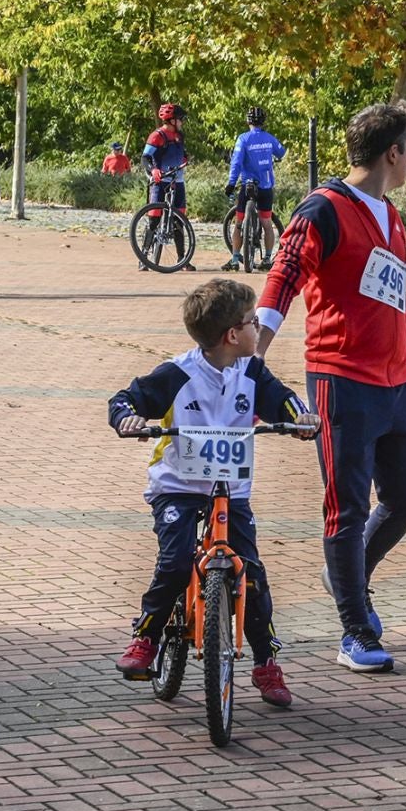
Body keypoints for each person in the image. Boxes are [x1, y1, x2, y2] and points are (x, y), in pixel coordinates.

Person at [256, 101, 406, 673]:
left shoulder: (392, 215)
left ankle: (347, 574)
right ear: (393, 152)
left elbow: (393, 289)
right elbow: (283, 274)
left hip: (396, 380)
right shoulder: (323, 210)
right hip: (341, 380)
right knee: (348, 507)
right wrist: (253, 356)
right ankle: (355, 632)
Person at [109, 278, 320, 707]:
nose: (258, 328)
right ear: (231, 335)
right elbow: (126, 399)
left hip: (230, 488)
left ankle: (266, 662)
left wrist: (301, 419)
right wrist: (127, 419)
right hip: (179, 488)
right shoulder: (178, 373)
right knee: (174, 561)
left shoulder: (251, 371)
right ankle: (147, 637)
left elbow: (285, 400)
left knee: (253, 575)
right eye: (252, 322)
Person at [223, 106, 287, 272]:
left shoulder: (243, 139)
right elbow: (282, 152)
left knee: (238, 222)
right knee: (266, 223)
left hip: (247, 185)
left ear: (248, 121)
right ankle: (267, 258)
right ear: (263, 121)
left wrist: (231, 183)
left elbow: (236, 162)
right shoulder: (269, 138)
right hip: (266, 186)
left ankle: (235, 259)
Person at [140, 103, 193, 273]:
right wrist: (153, 170)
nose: (182, 122)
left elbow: (182, 153)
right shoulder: (157, 136)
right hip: (160, 181)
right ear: (171, 120)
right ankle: (144, 257)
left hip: (177, 181)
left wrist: (186, 158)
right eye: (180, 119)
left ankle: (182, 259)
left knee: (179, 220)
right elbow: (145, 158)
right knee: (154, 220)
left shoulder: (179, 136)